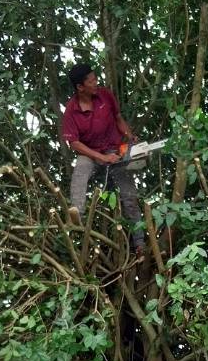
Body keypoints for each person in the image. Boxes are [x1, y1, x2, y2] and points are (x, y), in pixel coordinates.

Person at [61, 63, 145, 248]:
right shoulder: (71, 111)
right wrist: (100, 158)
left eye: (95, 78)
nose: (96, 82)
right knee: (80, 170)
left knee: (129, 195)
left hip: (113, 148)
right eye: (91, 81)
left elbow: (118, 118)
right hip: (90, 152)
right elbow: (74, 143)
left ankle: (139, 242)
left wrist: (129, 136)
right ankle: (77, 213)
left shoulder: (105, 95)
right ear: (80, 87)